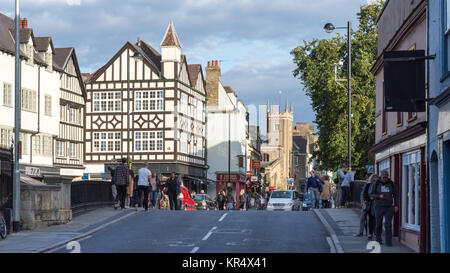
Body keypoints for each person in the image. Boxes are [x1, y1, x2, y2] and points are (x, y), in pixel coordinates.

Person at [370, 170, 399, 247]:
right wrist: (379, 196)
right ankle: (378, 240)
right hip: (378, 206)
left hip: (389, 207)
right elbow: (371, 194)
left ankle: (388, 242)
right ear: (381, 177)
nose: (384, 179)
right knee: (378, 224)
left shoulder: (391, 183)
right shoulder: (376, 183)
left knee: (388, 224)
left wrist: (396, 205)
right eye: (383, 177)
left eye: (386, 177)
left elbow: (395, 195)